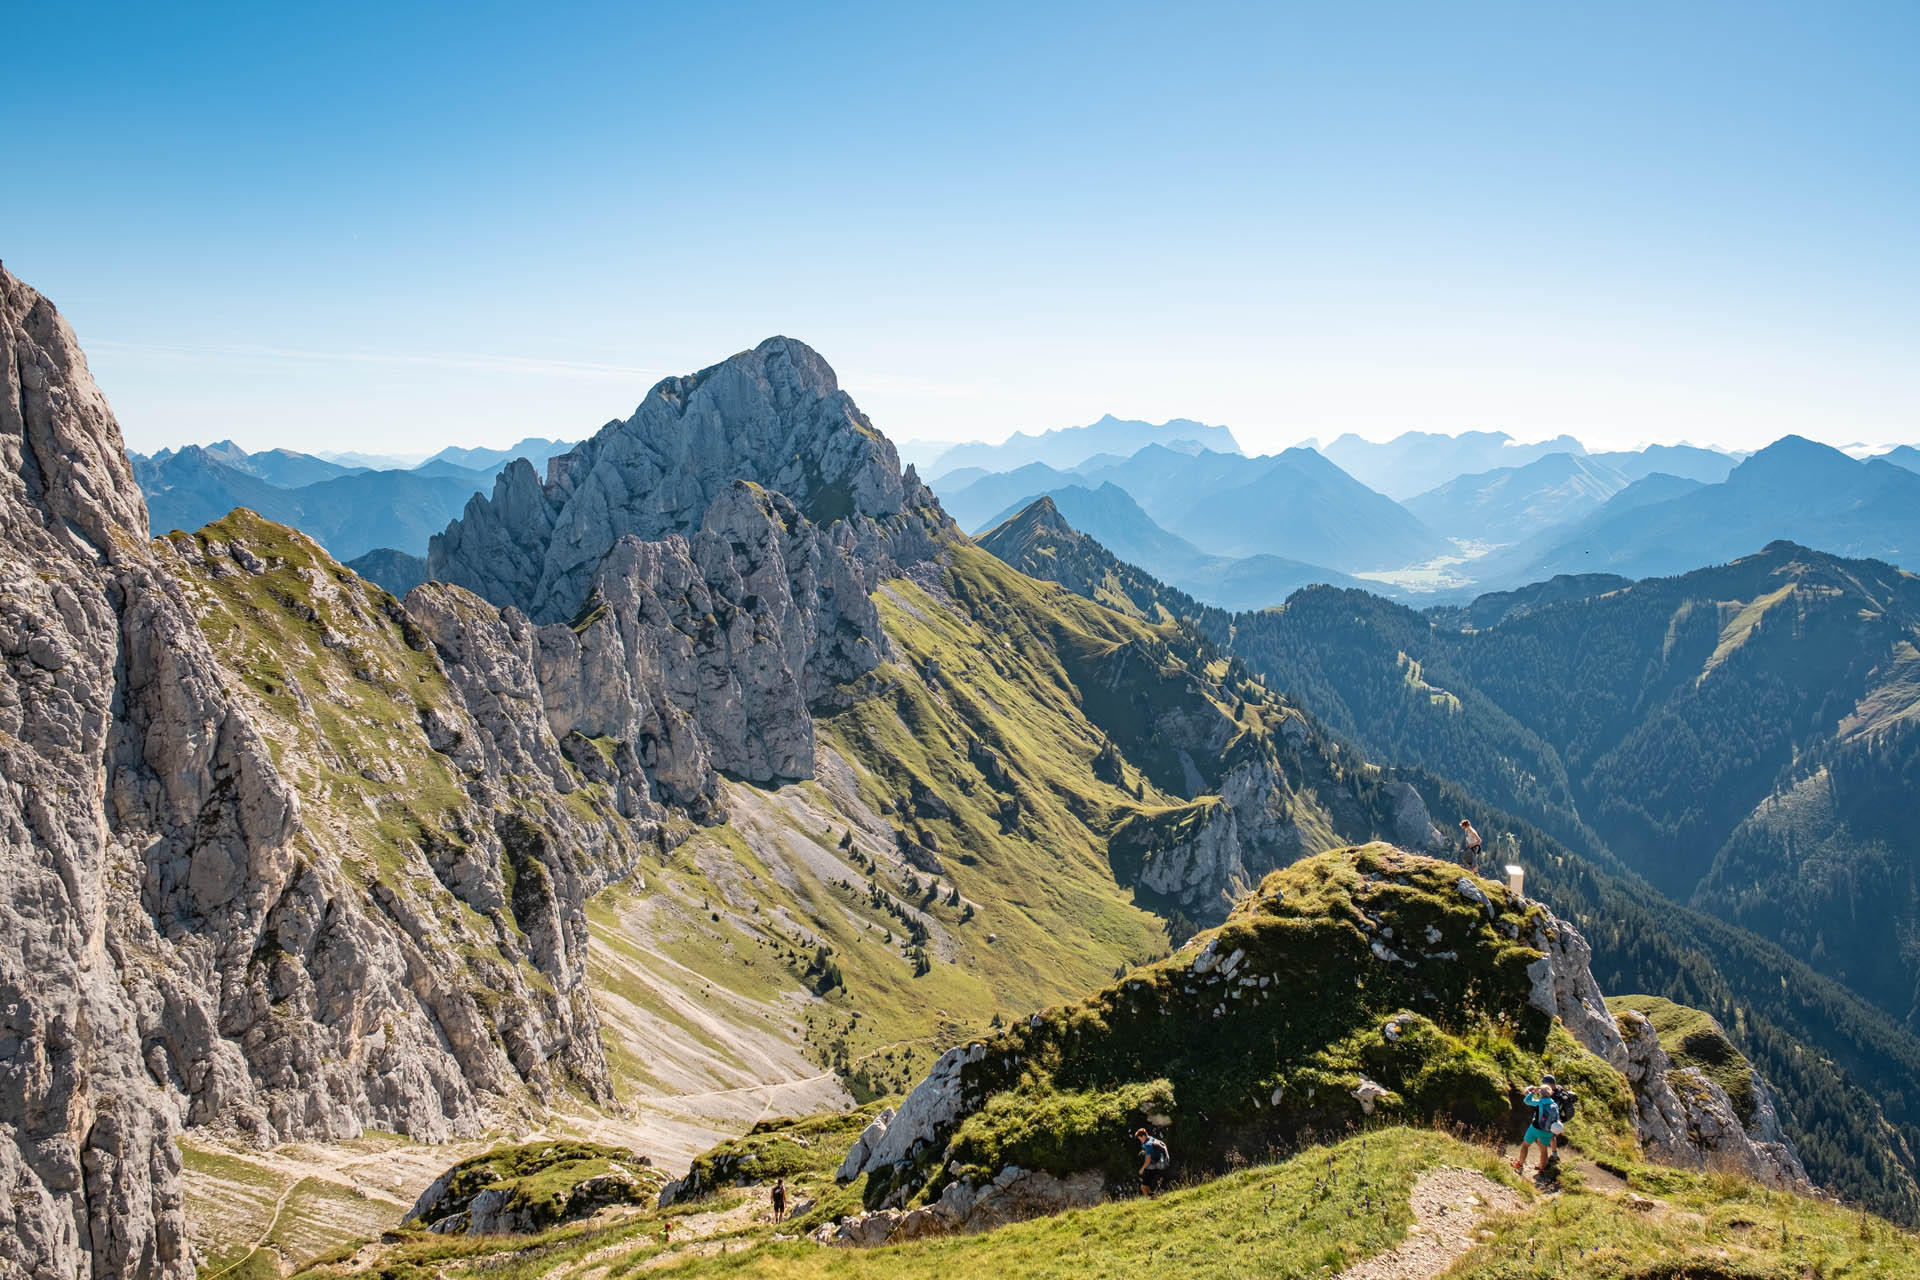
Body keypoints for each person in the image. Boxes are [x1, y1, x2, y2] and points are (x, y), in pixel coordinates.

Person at [1513, 1073, 1562, 1177]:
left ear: (1541, 1094)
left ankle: (1520, 1165)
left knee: (1525, 1145)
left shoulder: (1539, 1102)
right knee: (1544, 1151)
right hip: (1547, 1132)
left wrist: (1532, 1092)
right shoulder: (1555, 1105)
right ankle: (1541, 1170)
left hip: (1535, 1128)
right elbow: (1557, 1120)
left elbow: (1526, 1100)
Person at [1135, 1127, 1170, 1196]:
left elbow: (1148, 1161)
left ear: (1144, 1136)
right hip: (1165, 1161)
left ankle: (1147, 1199)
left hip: (1160, 1164)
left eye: (1140, 1138)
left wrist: (1142, 1169)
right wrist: (1144, 1152)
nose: (1140, 1140)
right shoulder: (1151, 1138)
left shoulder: (1148, 1144)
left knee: (1143, 1187)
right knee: (1147, 1184)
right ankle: (1152, 1194)